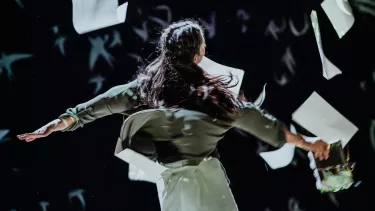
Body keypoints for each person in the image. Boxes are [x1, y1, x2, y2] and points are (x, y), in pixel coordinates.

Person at [17, 19, 330, 211]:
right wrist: (309, 143)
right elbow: (267, 126)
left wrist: (56, 125)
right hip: (203, 177)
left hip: (173, 181)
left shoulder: (142, 91)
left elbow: (93, 107)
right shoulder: (217, 101)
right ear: (197, 56)